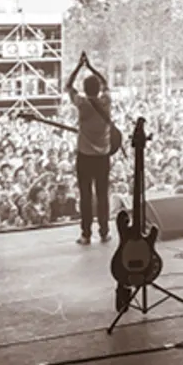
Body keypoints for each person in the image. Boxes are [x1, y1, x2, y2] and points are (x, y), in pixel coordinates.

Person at [66, 52, 113, 245]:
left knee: (85, 195)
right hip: (103, 156)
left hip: (85, 156)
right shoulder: (106, 102)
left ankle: (86, 234)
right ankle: (104, 232)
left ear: (85, 89)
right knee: (102, 195)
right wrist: (92, 67)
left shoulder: (82, 103)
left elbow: (69, 86)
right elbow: (106, 83)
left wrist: (79, 66)